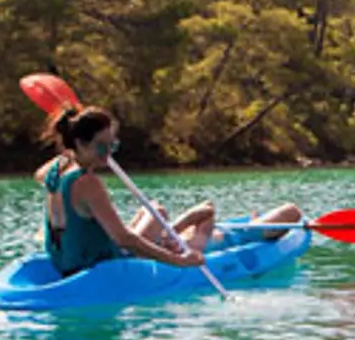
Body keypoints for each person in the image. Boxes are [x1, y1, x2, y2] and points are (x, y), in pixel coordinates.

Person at [35, 107, 304, 277]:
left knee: (155, 210)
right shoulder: (88, 183)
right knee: (156, 221)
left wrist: (78, 143)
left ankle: (173, 229)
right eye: (102, 147)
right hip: (94, 266)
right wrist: (178, 261)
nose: (108, 157)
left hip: (67, 262)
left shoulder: (56, 170)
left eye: (112, 147)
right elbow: (125, 240)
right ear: (80, 143)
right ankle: (176, 233)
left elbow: (45, 172)